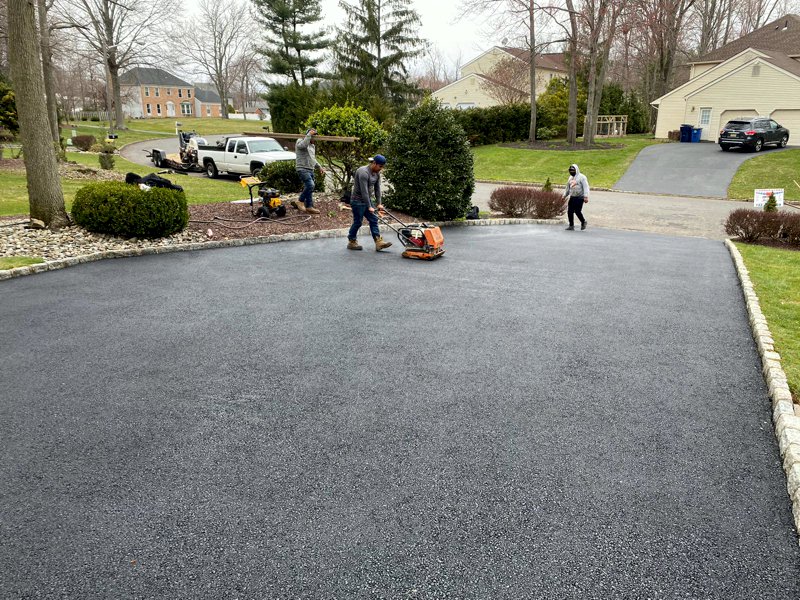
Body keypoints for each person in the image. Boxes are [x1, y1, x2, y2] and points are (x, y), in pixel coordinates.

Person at [347, 155, 392, 252]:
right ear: (374, 163)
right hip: (357, 201)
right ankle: (351, 241)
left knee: (374, 219)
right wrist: (369, 206)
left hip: (367, 200)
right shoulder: (363, 172)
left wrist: (379, 203)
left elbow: (377, 189)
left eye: (382, 167)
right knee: (358, 222)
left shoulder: (376, 173)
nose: (381, 169)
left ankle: (378, 242)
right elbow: (364, 192)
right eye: (380, 166)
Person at [293, 128, 326, 215]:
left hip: (310, 169)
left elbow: (312, 159)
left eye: (315, 136)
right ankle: (300, 201)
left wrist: (319, 167)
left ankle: (309, 206)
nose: (314, 138)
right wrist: (309, 135)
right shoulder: (300, 141)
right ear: (308, 135)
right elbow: (302, 146)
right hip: (302, 168)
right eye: (312, 135)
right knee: (311, 185)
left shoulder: (312, 146)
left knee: (309, 188)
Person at [563, 163, 589, 230]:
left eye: (573, 170)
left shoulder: (582, 177)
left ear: (576, 170)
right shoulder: (570, 178)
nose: (571, 172)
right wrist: (564, 196)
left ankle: (583, 222)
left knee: (577, 211)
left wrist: (586, 196)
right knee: (569, 211)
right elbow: (567, 188)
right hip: (572, 197)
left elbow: (586, 187)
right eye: (570, 170)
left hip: (580, 197)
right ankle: (571, 225)